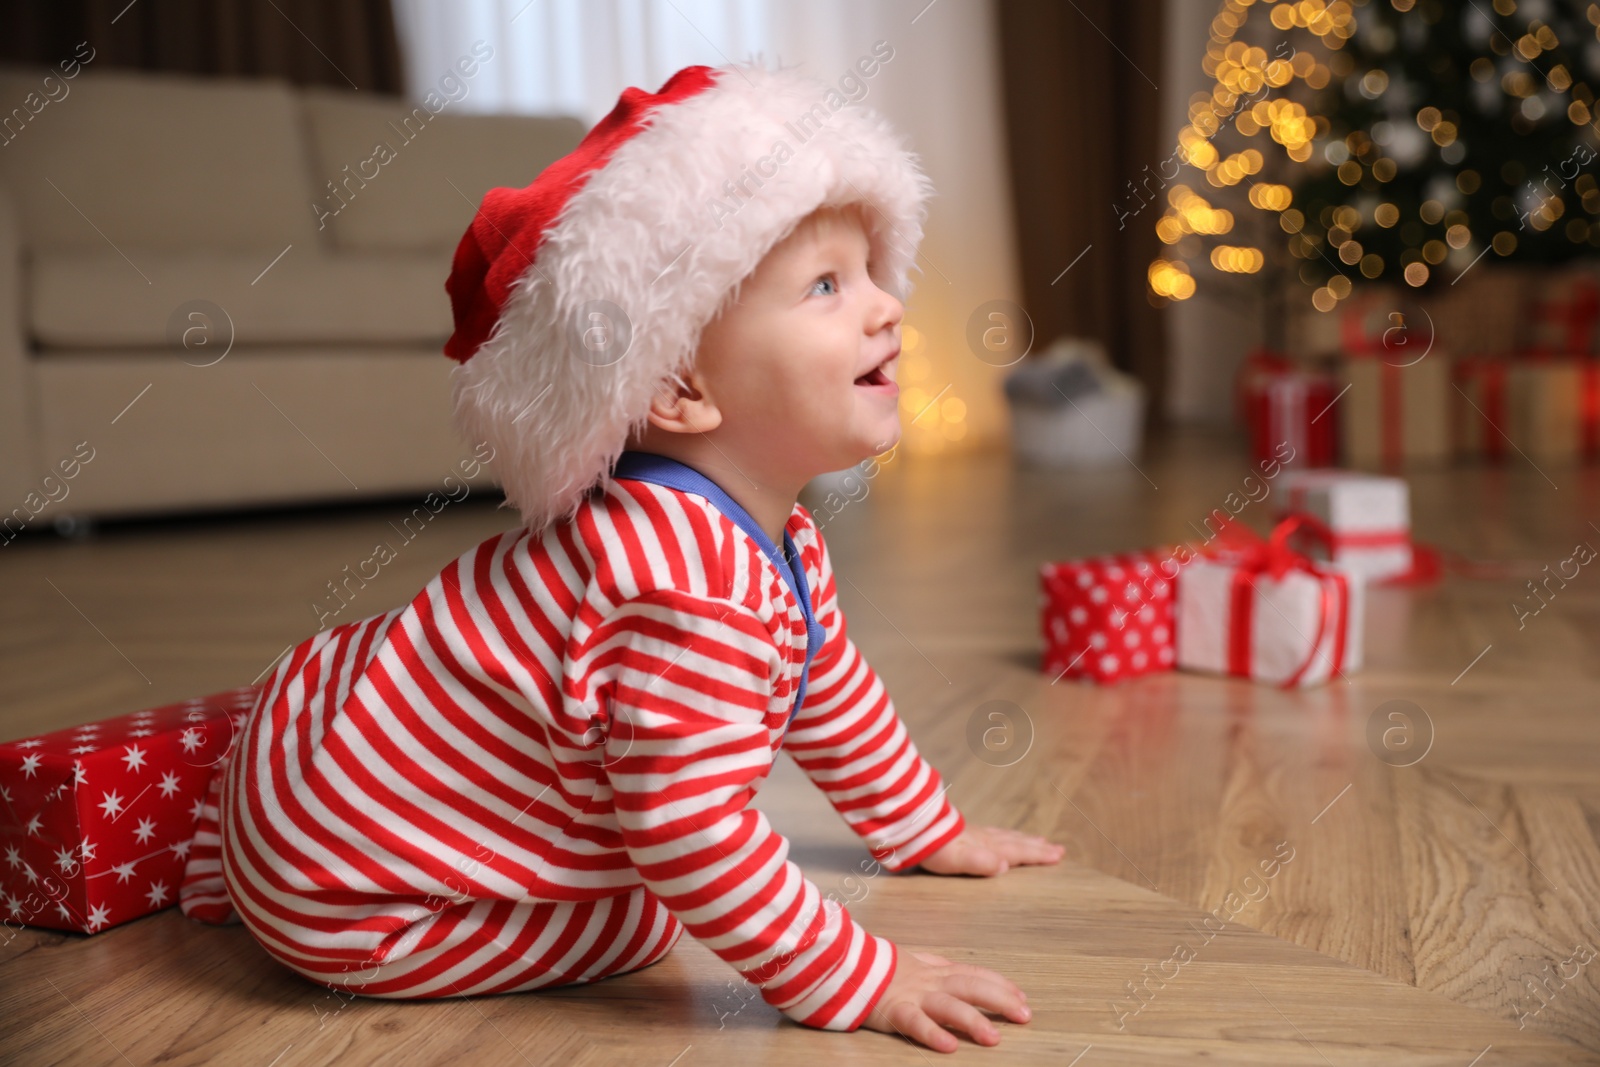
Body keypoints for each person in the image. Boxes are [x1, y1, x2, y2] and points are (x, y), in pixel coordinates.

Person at [179, 59, 1064, 1054]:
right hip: (356, 902)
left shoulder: (764, 537)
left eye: (870, 271)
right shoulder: (685, 578)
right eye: (825, 284)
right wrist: (856, 969)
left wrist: (922, 827)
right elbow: (689, 828)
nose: (886, 305)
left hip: (299, 759)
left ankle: (242, 842)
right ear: (680, 388)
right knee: (650, 912)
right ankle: (272, 884)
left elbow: (825, 682)